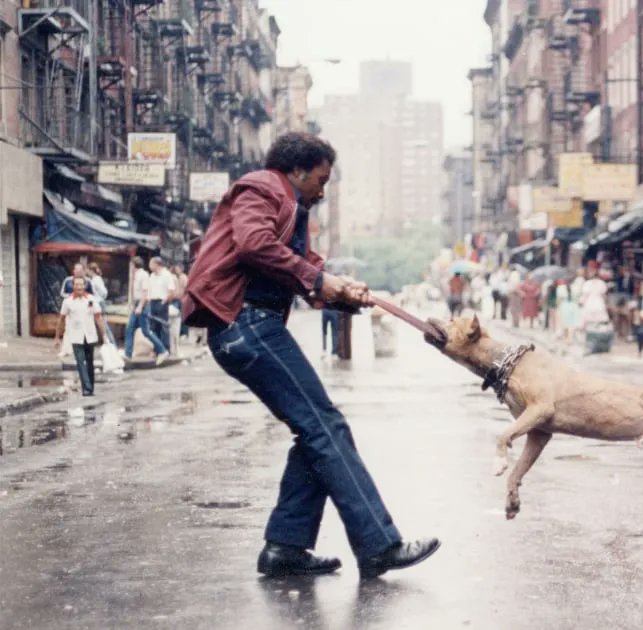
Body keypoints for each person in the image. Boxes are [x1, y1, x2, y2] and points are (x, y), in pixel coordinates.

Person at [181, 132, 439, 578]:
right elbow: (255, 245)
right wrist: (322, 283)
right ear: (296, 170)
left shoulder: (291, 210)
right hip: (244, 324)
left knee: (316, 431)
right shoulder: (261, 187)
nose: (323, 190)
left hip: (252, 327)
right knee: (325, 426)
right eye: (320, 180)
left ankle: (285, 547)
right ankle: (379, 544)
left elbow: (300, 265)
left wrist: (342, 291)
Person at [55, 277, 105, 397]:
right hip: (76, 337)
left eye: (81, 285)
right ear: (73, 286)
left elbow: (98, 317)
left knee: (89, 362)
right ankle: (86, 388)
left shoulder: (91, 299)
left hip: (90, 336)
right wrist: (57, 337)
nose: (79, 287)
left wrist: (104, 334)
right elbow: (61, 319)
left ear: (85, 286)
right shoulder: (68, 302)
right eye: (76, 285)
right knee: (80, 362)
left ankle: (90, 386)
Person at [123, 257, 168, 364]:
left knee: (145, 331)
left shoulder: (143, 275)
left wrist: (139, 306)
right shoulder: (135, 275)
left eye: (131, 265)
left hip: (142, 304)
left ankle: (162, 350)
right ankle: (127, 354)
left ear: (134, 265)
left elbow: (144, 292)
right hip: (137, 304)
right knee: (130, 329)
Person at [147, 257, 175, 352]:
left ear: (157, 264)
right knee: (154, 326)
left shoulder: (166, 275)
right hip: (152, 302)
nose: (149, 266)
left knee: (163, 326)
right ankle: (157, 349)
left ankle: (166, 348)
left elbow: (171, 291)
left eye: (151, 264)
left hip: (162, 302)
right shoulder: (151, 276)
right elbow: (149, 290)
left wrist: (163, 303)